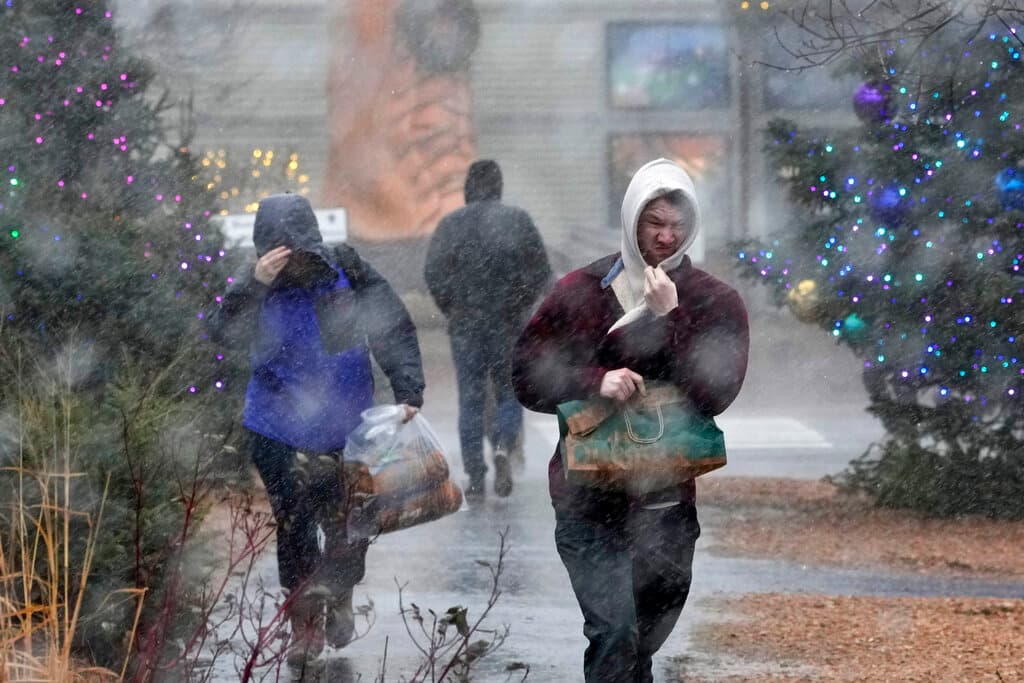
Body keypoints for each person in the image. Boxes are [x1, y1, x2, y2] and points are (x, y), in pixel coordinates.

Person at [512, 158, 749, 682]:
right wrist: (594, 380)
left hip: (665, 507)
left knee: (641, 640)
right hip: (587, 499)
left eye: (677, 225)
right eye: (653, 222)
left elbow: (716, 392)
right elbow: (527, 377)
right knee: (614, 634)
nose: (666, 237)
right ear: (630, 218)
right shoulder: (580, 291)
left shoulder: (714, 301)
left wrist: (672, 317)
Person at [209, 193, 425, 667]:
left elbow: (392, 327)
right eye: (279, 253)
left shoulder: (347, 270)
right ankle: (303, 624)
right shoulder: (254, 284)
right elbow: (221, 337)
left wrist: (408, 390)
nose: (293, 264)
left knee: (349, 526)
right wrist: (253, 285)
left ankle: (341, 590)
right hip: (276, 429)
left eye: (299, 251)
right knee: (296, 527)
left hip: (346, 428)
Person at [424, 160, 551, 499]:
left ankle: (475, 474)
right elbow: (540, 271)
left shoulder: (450, 226)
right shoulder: (517, 221)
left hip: (466, 324)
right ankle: (503, 446)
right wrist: (518, 304)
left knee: (470, 398)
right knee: (509, 393)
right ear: (498, 186)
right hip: (508, 326)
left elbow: (433, 273)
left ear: (469, 187)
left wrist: (452, 307)